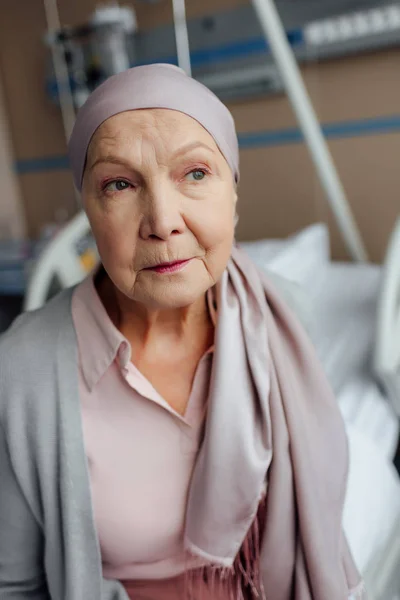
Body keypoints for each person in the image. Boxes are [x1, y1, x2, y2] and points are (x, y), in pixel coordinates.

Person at [0, 64, 365, 600]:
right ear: (90, 211)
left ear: (233, 193)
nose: (162, 221)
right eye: (119, 184)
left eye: (195, 173)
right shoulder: (19, 374)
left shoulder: (288, 318)